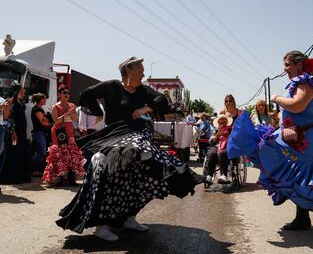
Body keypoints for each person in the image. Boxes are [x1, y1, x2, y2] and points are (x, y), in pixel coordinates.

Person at [55, 56, 202, 241]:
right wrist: (99, 112)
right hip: (116, 136)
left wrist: (145, 109)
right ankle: (102, 225)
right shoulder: (112, 87)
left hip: (138, 137)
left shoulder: (142, 90)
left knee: (148, 172)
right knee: (107, 169)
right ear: (129, 70)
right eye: (140, 70)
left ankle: (129, 218)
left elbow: (161, 100)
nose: (143, 73)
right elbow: (86, 95)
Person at [228, 51, 313, 231]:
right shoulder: (299, 82)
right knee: (292, 171)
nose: (285, 69)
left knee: (263, 147)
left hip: (307, 138)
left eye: (288, 65)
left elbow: (298, 105)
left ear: (298, 64)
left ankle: (283, 191)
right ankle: (299, 213)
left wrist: (276, 98)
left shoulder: (305, 82)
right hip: (298, 136)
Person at [42, 85, 85, 186]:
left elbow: (75, 119)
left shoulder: (71, 105)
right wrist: (66, 114)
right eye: (64, 93)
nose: (66, 95)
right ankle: (59, 178)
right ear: (59, 94)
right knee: (59, 154)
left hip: (69, 132)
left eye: (68, 93)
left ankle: (70, 178)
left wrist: (72, 112)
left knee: (71, 154)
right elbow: (55, 121)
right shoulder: (56, 106)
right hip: (59, 132)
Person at [0, 81, 31, 184]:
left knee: (20, 152)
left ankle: (19, 177)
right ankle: (9, 177)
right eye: (23, 89)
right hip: (15, 132)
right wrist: (13, 132)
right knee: (12, 152)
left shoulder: (20, 100)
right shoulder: (12, 100)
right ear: (18, 90)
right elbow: (9, 118)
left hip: (21, 131)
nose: (24, 90)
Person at [205, 114, 233, 184]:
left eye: (224, 119)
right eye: (221, 119)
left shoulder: (231, 129)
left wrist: (228, 136)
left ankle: (224, 175)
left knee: (223, 153)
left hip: (227, 146)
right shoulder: (215, 130)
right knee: (212, 153)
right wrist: (217, 136)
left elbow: (235, 139)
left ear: (227, 121)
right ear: (218, 121)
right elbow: (210, 141)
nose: (222, 121)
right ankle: (209, 176)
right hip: (216, 146)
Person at [31, 93, 51, 177]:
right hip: (38, 133)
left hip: (41, 133)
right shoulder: (36, 109)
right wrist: (48, 123)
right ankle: (33, 169)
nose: (46, 100)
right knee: (42, 153)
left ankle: (36, 170)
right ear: (41, 99)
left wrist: (47, 121)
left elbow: (45, 120)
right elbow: (43, 122)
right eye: (45, 98)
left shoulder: (41, 109)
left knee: (40, 152)